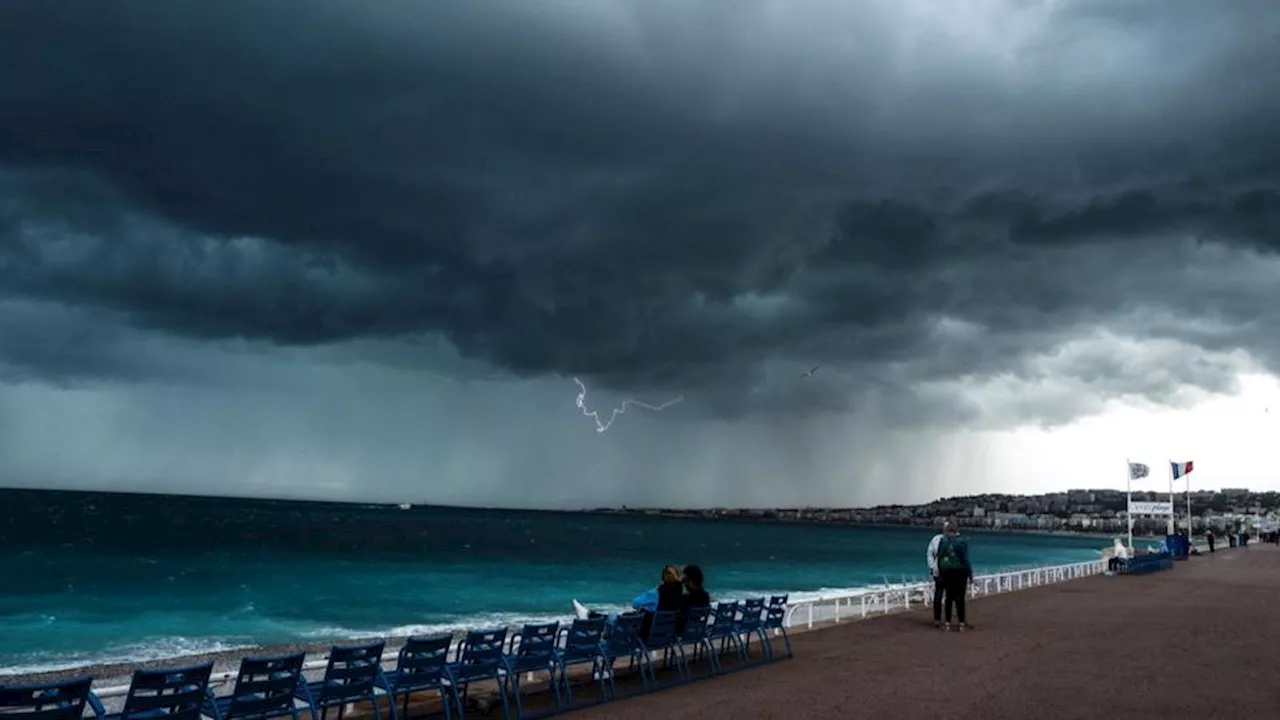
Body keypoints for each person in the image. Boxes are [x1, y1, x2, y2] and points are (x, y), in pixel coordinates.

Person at [937, 523, 972, 631]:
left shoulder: (943, 541)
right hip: (960, 572)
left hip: (947, 572)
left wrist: (940, 572)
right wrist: (970, 574)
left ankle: (947, 623)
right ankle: (961, 623)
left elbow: (939, 557)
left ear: (947, 531)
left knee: (948, 598)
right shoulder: (961, 541)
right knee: (960, 598)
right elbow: (965, 559)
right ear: (957, 531)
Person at [926, 521, 952, 628]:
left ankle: (945, 619)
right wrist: (932, 567)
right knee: (939, 595)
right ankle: (938, 619)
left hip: (949, 571)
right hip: (940, 571)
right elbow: (929, 554)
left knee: (947, 596)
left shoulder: (941, 539)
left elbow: (929, 554)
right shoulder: (937, 539)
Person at [677, 564, 711, 632]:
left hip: (682, 630)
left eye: (685, 581)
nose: (684, 584)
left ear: (690, 580)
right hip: (696, 629)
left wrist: (677, 583)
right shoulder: (705, 596)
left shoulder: (686, 598)